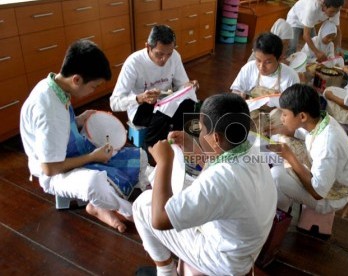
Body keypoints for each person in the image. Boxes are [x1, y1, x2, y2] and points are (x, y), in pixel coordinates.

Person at [132, 93, 277, 275]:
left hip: (223, 260)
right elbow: (219, 164)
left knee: (142, 204)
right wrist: (193, 148)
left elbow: (159, 220)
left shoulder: (221, 179)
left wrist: (163, 162)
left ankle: (166, 271)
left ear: (215, 138)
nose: (199, 134)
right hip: (246, 246)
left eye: (201, 130)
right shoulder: (249, 149)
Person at [20, 40, 149, 233]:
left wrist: (79, 119)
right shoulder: (49, 111)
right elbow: (49, 168)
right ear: (77, 79)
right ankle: (131, 212)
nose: (93, 91)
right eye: (94, 86)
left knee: (140, 156)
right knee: (95, 183)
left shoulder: (53, 85)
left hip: (68, 149)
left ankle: (98, 206)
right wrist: (93, 157)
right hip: (54, 171)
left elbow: (61, 124)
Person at [268, 83, 348, 214]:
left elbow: (318, 193)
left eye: (285, 115)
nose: (282, 118)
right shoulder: (321, 120)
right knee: (278, 141)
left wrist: (290, 157)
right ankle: (282, 206)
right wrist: (288, 131)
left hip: (332, 196)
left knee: (277, 175)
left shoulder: (327, 143)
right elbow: (308, 134)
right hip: (328, 181)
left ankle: (279, 215)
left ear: (302, 116)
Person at [110, 25, 199, 150]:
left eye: (169, 53)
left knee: (189, 104)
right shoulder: (134, 62)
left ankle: (181, 147)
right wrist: (140, 98)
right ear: (148, 46)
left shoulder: (174, 56)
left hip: (165, 102)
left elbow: (182, 86)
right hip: (140, 107)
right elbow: (114, 103)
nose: (164, 59)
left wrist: (189, 86)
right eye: (159, 54)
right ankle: (151, 153)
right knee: (163, 116)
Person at [231, 32, 300, 99]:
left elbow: (293, 106)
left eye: (268, 62)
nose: (261, 66)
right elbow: (236, 90)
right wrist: (239, 95)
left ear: (279, 58)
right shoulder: (249, 68)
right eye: (258, 60)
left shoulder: (291, 76)